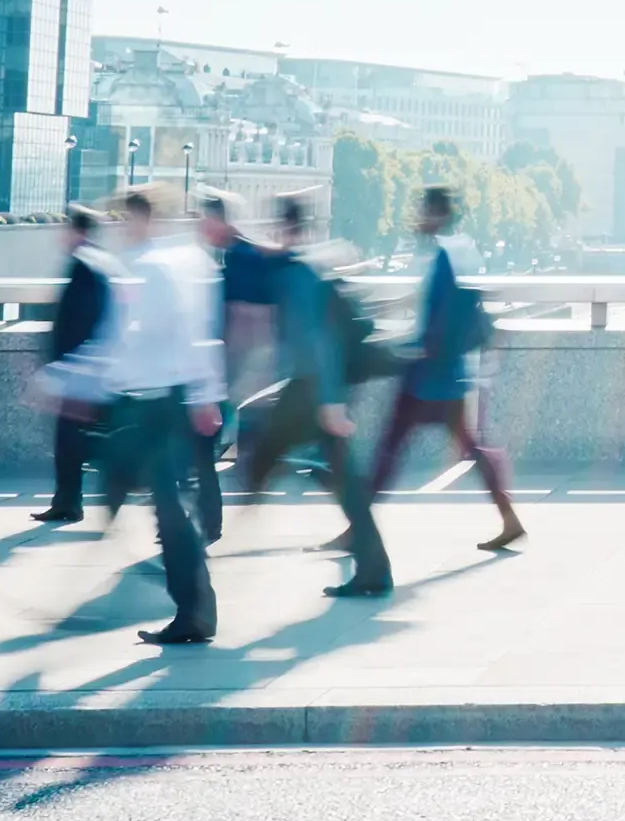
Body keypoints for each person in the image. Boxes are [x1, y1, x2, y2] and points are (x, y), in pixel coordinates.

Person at [38, 191, 226, 644]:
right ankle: (189, 606)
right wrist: (203, 393)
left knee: (165, 506)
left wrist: (70, 381)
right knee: (153, 498)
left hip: (154, 405)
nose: (122, 227)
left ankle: (192, 610)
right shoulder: (180, 261)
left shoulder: (149, 269)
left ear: (142, 219)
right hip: (161, 401)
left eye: (126, 219)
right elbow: (194, 333)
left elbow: (126, 341)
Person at [235, 197, 388, 596]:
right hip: (316, 388)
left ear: (287, 230)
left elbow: (318, 342)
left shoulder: (298, 275)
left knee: (267, 449)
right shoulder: (301, 267)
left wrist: (330, 401)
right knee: (340, 476)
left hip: (312, 389)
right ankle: (374, 570)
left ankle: (243, 514)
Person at [367, 185, 525, 553]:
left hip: (428, 375)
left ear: (437, 214)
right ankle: (510, 518)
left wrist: (415, 349)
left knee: (389, 448)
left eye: (423, 211)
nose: (418, 218)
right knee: (467, 446)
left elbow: (438, 316)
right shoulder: (461, 250)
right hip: (450, 373)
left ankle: (357, 524)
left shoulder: (441, 257)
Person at [193, 192, 284, 542]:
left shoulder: (241, 258)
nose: (201, 227)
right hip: (239, 373)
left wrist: (231, 380)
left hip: (235, 374)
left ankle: (207, 522)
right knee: (203, 448)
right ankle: (202, 519)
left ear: (221, 221)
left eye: (204, 219)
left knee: (201, 447)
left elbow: (249, 317)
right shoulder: (241, 253)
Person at [30, 204, 117, 525]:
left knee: (76, 443)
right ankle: (67, 501)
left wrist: (62, 373)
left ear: (77, 231)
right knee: (74, 443)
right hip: (88, 373)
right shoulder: (99, 263)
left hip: (80, 375)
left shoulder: (84, 267)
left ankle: (70, 502)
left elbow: (77, 325)